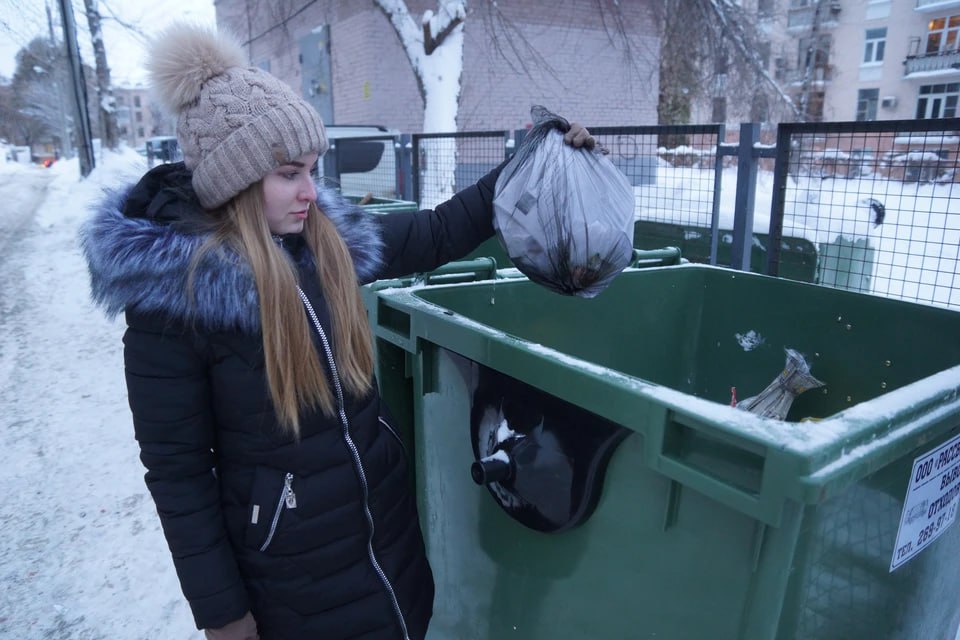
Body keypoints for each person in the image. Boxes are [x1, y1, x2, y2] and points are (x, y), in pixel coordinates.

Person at [80, 22, 595, 640]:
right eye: (288, 174)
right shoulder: (174, 301)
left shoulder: (323, 243)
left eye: (311, 170)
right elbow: (177, 472)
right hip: (295, 582)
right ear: (235, 179)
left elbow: (436, 233)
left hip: (386, 547)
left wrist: (531, 161)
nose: (310, 191)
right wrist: (223, 615)